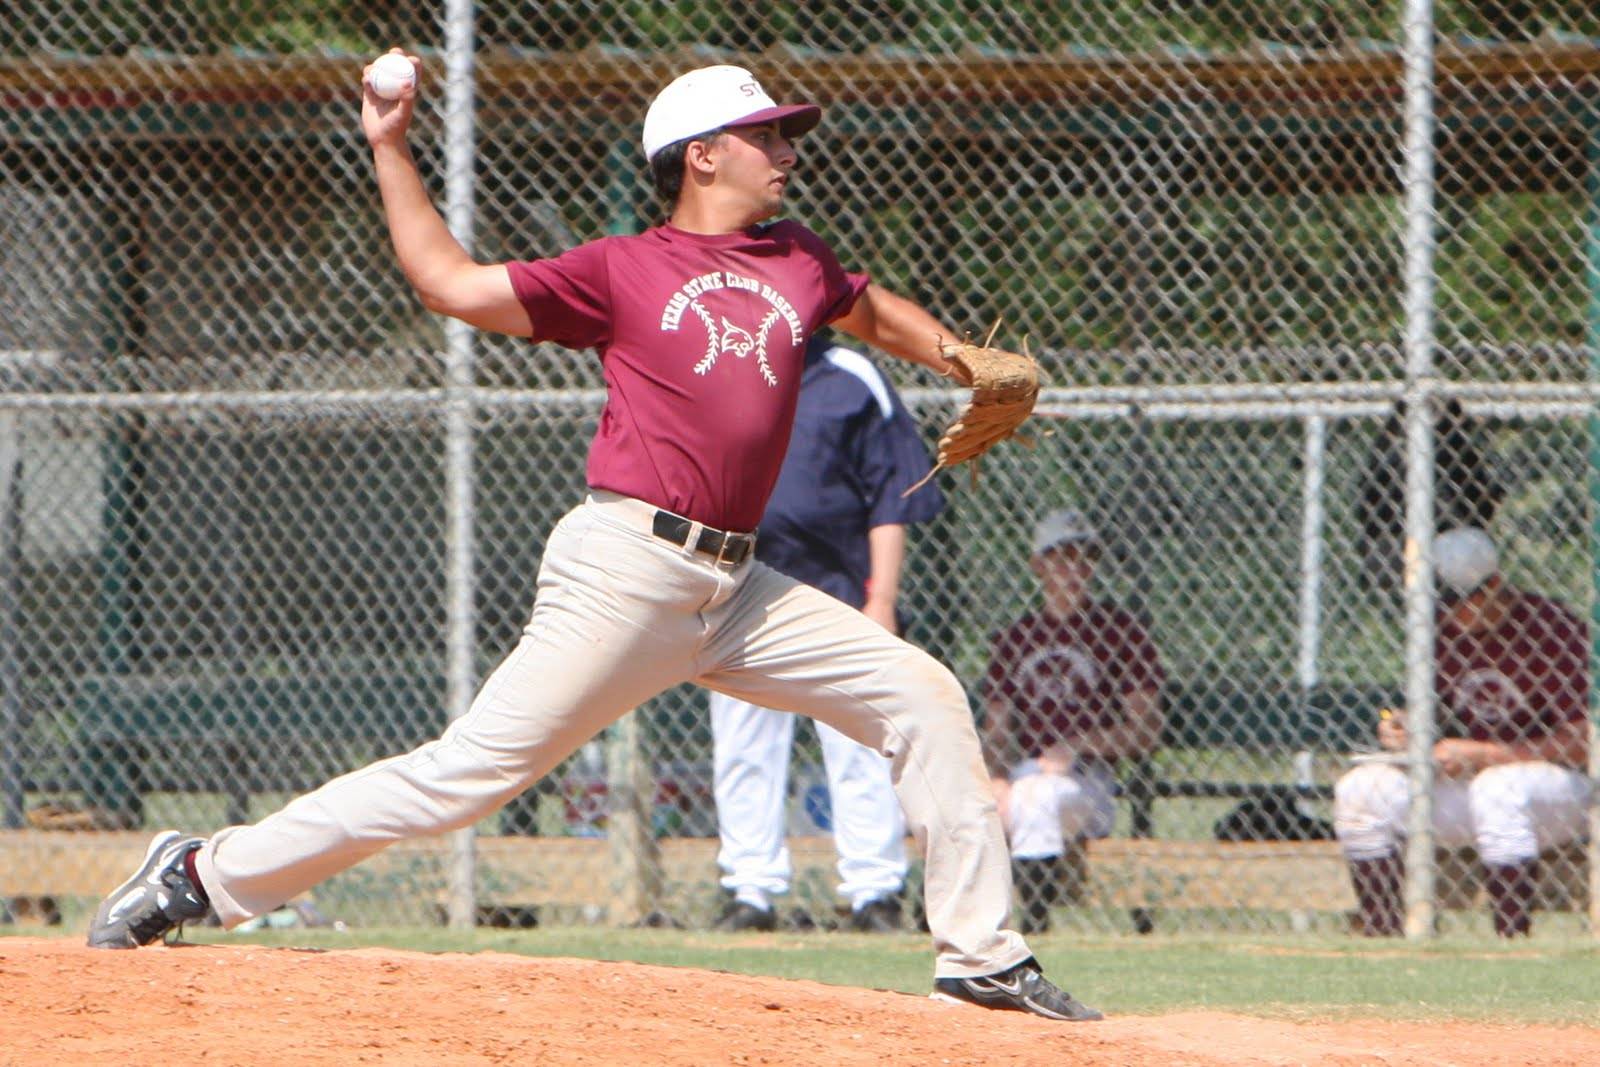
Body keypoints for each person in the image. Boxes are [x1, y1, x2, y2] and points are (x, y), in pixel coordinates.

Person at [85, 56, 1101, 1022]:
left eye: (784, 134)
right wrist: (391, 146)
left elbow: (871, 313)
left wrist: (960, 356)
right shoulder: (623, 268)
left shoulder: (798, 256)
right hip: (627, 566)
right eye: (764, 134)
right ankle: (199, 874)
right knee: (463, 775)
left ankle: (980, 959)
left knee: (921, 692)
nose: (786, 149)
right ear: (702, 153)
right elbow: (447, 281)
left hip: (740, 588)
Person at [711, 331, 942, 935]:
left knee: (860, 748)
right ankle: (749, 889)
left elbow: (890, 498)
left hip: (840, 596)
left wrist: (883, 600)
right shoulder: (723, 371)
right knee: (744, 747)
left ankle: (874, 891)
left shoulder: (850, 377)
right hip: (741, 597)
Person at [1334, 526, 1593, 938]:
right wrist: (1410, 732)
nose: (1452, 613)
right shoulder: (1438, 631)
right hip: (1469, 785)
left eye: (1461, 601)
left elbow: (1583, 743)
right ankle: (1382, 938)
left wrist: (1484, 753)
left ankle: (1511, 943)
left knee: (1500, 788)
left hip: (1564, 792)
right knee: (1360, 790)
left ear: (1493, 585)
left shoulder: (1553, 630)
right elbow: (1438, 720)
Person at [981, 509, 1165, 933]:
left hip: (1089, 781)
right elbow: (996, 730)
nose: (1074, 568)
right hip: (1023, 774)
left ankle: (1035, 925)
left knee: (1038, 797)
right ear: (1038, 565)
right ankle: (962, 926)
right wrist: (994, 777)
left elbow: (1146, 728)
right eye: (1060, 557)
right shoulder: (1017, 637)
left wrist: (1078, 745)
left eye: (1084, 557)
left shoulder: (1120, 631)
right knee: (985, 800)